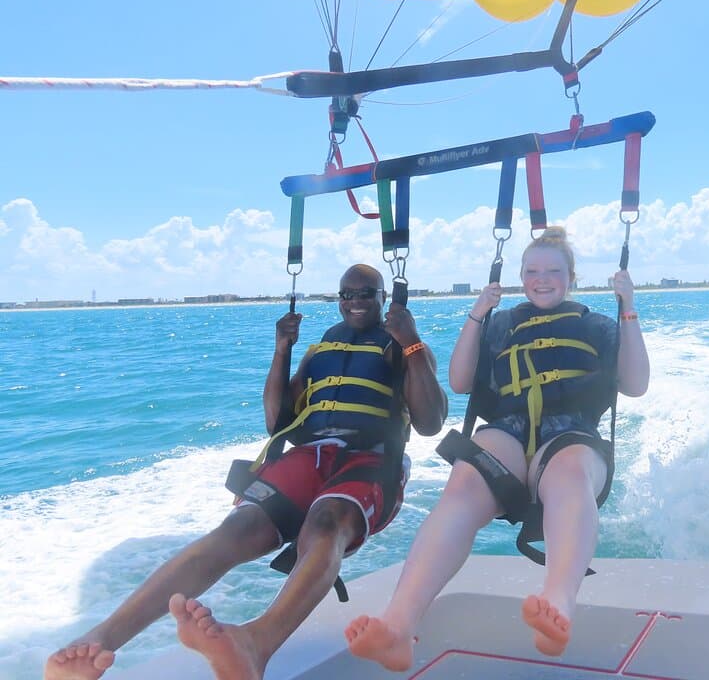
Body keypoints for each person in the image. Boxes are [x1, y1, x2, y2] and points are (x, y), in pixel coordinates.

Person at [45, 264, 448, 680]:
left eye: (366, 293)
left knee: (327, 523)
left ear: (385, 297)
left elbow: (431, 421)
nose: (355, 302)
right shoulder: (321, 349)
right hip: (310, 455)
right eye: (346, 294)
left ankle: (256, 643)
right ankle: (101, 639)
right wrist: (281, 349)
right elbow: (277, 422)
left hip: (371, 460)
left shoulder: (401, 344)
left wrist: (412, 343)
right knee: (236, 529)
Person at [345, 227, 649, 671]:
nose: (541, 279)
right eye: (531, 271)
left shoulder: (597, 325)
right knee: (464, 484)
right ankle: (398, 626)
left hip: (571, 436)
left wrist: (629, 309)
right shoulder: (501, 323)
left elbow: (636, 385)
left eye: (553, 271)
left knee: (569, 476)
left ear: (572, 277)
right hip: (507, 431)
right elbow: (462, 382)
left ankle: (559, 604)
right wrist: (478, 314)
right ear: (519, 277)